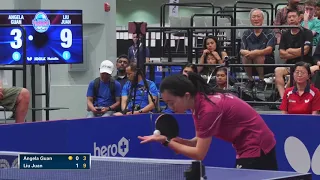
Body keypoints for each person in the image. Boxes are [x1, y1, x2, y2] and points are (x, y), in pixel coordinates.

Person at [138, 72, 278, 170]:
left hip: (257, 146)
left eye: (171, 102)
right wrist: (182, 141)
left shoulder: (208, 109)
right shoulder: (197, 103)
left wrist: (166, 141)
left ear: (186, 96)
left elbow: (199, 154)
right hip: (248, 145)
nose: (170, 107)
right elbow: (198, 140)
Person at [240, 8, 276, 91]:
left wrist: (256, 53)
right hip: (250, 60)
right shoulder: (246, 33)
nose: (256, 19)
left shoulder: (270, 32)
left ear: (262, 19)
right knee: (246, 56)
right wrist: (249, 53)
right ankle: (250, 80)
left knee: (258, 55)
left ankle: (261, 80)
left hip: (267, 61)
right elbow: (241, 50)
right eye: (253, 17)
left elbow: (269, 49)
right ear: (250, 19)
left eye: (258, 16)